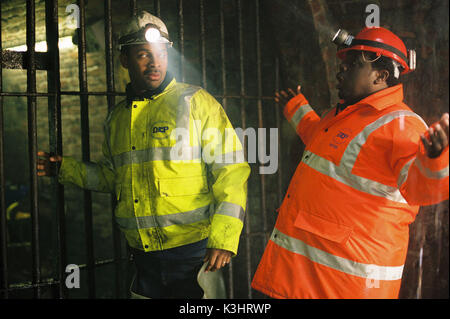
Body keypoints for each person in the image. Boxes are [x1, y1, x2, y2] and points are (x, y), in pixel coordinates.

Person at [37, 11, 250, 299]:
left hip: (193, 255)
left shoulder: (196, 102)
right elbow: (113, 177)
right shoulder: (118, 119)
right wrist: (66, 168)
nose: (154, 62)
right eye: (143, 54)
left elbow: (232, 171)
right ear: (125, 60)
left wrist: (224, 238)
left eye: (160, 53)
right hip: (143, 257)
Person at [251, 26, 449, 299]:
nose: (340, 70)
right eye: (343, 63)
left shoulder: (402, 125)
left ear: (380, 75)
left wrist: (436, 158)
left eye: (353, 64)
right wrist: (297, 108)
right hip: (311, 278)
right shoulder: (345, 115)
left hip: (348, 286)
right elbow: (324, 145)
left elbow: (418, 189)